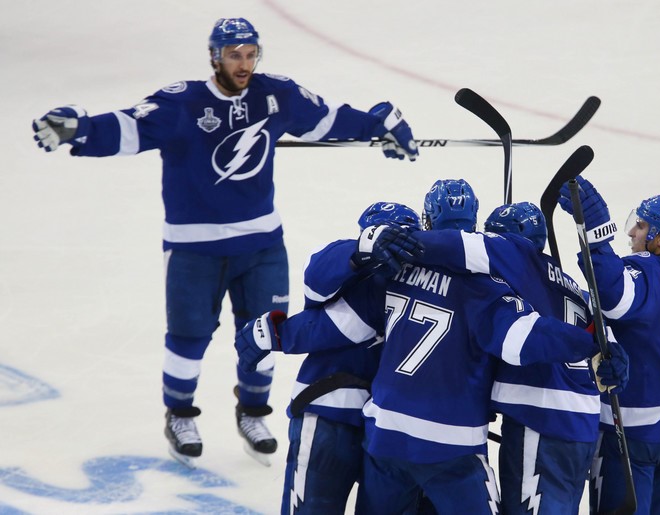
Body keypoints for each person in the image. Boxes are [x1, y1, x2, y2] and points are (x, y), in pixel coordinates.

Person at [30, 17, 419, 468]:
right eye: (235, 55)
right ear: (215, 56)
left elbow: (323, 121)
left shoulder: (275, 96)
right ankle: (179, 415)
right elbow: (126, 128)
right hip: (194, 250)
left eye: (251, 54)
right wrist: (77, 129)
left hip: (262, 245)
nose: (244, 64)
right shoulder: (183, 104)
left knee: (267, 329)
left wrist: (378, 126)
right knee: (188, 337)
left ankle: (253, 413)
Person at [236, 179, 627, 515]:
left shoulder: (394, 275)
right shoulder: (488, 292)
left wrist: (269, 335)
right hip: (452, 447)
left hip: (383, 437)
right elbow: (522, 341)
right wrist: (591, 343)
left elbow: (332, 325)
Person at [403, 201, 628, 514]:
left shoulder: (513, 253)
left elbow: (456, 245)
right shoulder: (575, 288)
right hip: (582, 426)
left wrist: (386, 240)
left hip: (539, 419)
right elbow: (611, 359)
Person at [558, 176, 660, 514]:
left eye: (641, 226)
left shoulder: (646, 271)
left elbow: (611, 294)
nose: (632, 233)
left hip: (635, 430)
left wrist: (596, 228)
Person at [283, 201, 424, 515]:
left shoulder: (427, 286)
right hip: (331, 413)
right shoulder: (350, 272)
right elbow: (315, 280)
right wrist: (362, 250)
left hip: (393, 428)